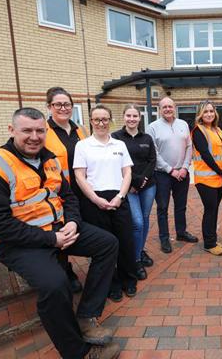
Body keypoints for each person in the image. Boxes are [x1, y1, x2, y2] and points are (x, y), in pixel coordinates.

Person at [0, 107, 120, 359]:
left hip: (57, 230)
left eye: (39, 131)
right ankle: (78, 353)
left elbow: (67, 196)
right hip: (15, 242)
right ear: (11, 130)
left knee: (108, 243)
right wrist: (51, 239)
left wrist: (74, 223)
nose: (34, 136)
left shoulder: (50, 159)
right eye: (27, 130)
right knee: (55, 285)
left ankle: (86, 315)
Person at [74, 105, 138, 302]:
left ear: (110, 121)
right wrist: (95, 199)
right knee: (105, 245)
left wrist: (120, 196)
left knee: (125, 241)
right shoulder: (83, 146)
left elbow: (127, 172)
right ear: (91, 122)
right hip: (94, 201)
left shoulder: (119, 145)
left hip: (119, 198)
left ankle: (129, 279)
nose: (101, 123)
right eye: (97, 120)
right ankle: (112, 283)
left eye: (104, 119)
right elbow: (79, 176)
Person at [45, 86, 88, 293]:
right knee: (61, 231)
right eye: (58, 104)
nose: (63, 108)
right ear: (49, 107)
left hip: (82, 189)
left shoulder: (80, 129)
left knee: (79, 228)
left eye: (67, 104)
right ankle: (66, 271)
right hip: (58, 193)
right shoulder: (43, 131)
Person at [146, 96, 199, 253]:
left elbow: (189, 146)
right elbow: (153, 153)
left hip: (182, 173)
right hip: (162, 174)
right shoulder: (152, 127)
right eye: (164, 107)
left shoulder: (183, 124)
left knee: (181, 206)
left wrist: (184, 167)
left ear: (174, 107)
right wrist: (170, 170)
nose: (168, 109)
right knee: (162, 207)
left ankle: (181, 233)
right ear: (159, 109)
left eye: (170, 106)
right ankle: (164, 238)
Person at [111, 104, 156, 280]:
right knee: (136, 222)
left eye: (135, 116)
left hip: (148, 186)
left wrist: (143, 179)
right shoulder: (116, 138)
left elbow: (152, 160)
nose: (131, 119)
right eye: (128, 115)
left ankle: (139, 250)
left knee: (144, 220)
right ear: (123, 117)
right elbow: (116, 163)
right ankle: (135, 260)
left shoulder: (147, 137)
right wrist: (133, 181)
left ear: (139, 118)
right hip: (127, 186)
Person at [191, 100, 222, 256]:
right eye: (205, 111)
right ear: (200, 114)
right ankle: (209, 243)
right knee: (210, 210)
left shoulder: (218, 130)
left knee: (214, 209)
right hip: (206, 180)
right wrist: (221, 171)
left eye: (211, 111)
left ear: (215, 113)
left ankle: (212, 238)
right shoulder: (198, 131)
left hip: (219, 178)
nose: (209, 114)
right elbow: (206, 155)